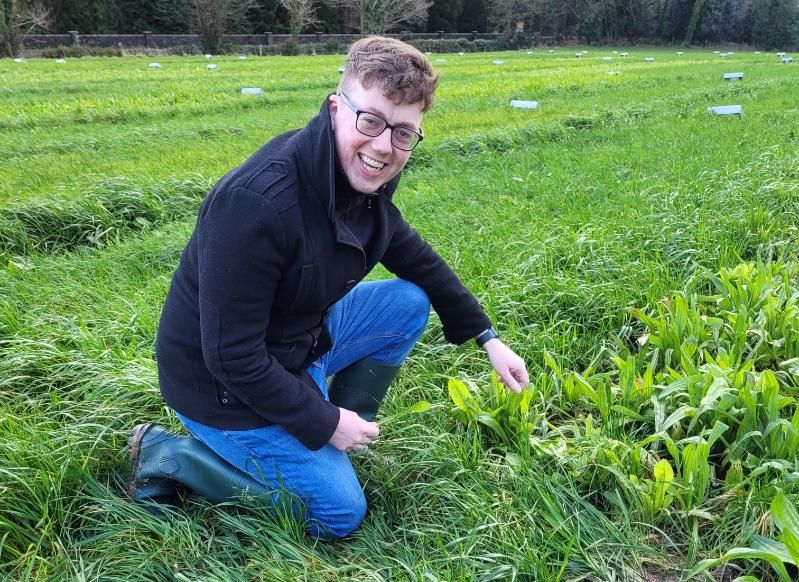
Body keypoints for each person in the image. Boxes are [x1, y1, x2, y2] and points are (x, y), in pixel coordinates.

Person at [127, 36, 529, 539]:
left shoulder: (360, 182)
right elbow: (230, 356)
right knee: (337, 514)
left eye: (404, 133)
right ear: (337, 108)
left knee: (407, 302)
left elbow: (415, 257)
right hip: (221, 387)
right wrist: (320, 420)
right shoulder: (256, 204)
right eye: (372, 121)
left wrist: (487, 338)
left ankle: (347, 427)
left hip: (296, 341)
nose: (384, 147)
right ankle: (172, 455)